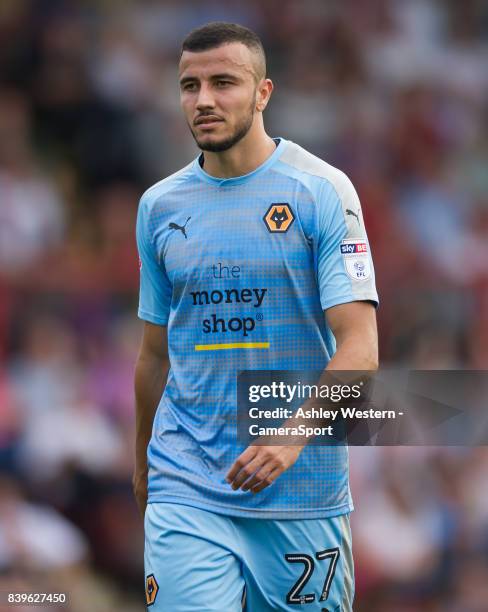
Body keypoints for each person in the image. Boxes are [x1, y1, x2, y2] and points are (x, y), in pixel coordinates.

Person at [134, 21, 378, 611]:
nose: (204, 100)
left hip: (302, 490)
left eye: (223, 82)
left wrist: (289, 440)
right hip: (186, 483)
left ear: (263, 93)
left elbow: (361, 351)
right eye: (189, 86)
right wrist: (142, 469)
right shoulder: (159, 206)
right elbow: (153, 355)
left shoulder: (321, 190)